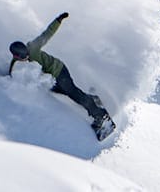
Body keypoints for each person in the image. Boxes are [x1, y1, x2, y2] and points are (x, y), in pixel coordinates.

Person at [9, 12, 114, 140]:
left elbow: (46, 34)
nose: (26, 57)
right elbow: (12, 72)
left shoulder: (33, 47)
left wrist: (58, 20)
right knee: (67, 93)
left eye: (26, 54)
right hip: (51, 79)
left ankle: (101, 117)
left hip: (58, 70)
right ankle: (93, 99)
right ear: (16, 57)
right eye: (23, 57)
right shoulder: (16, 63)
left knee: (73, 94)